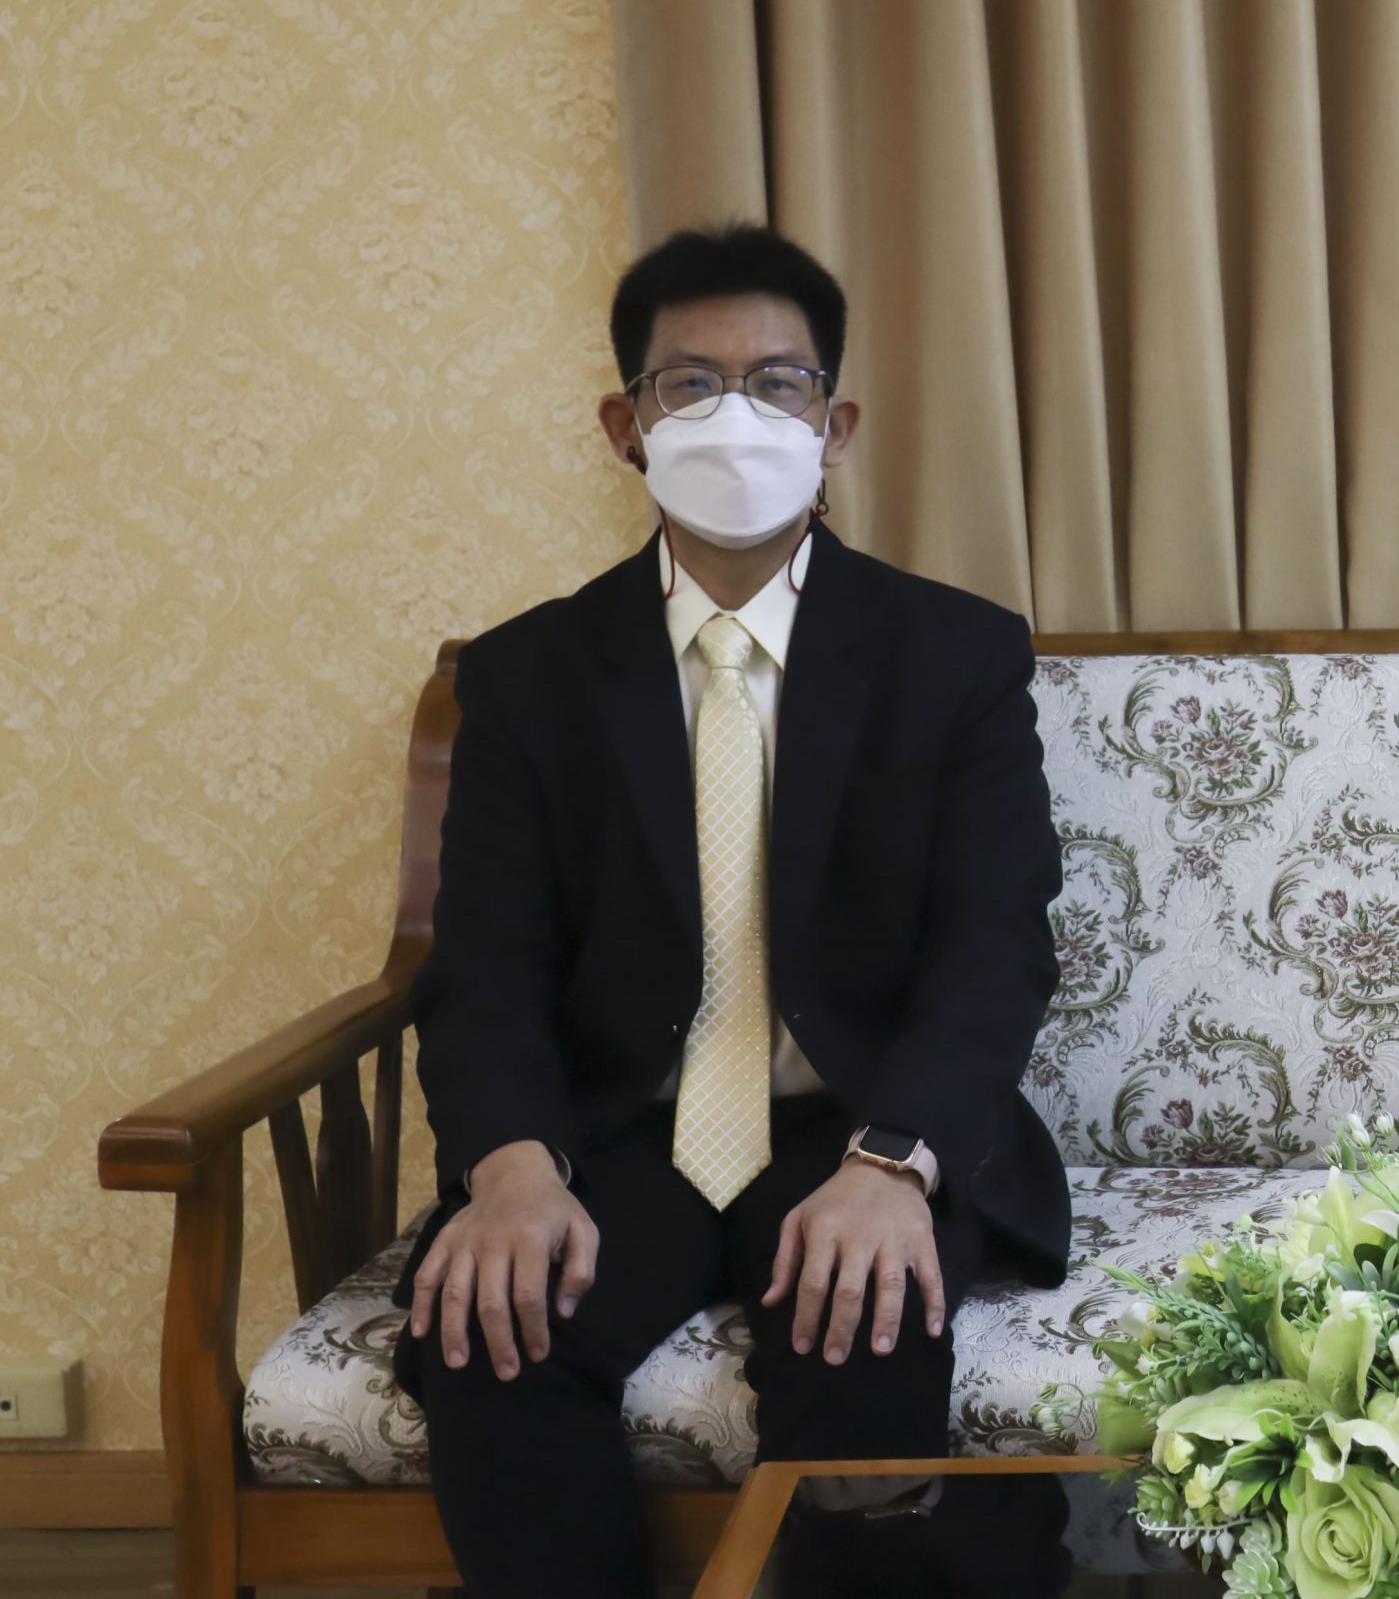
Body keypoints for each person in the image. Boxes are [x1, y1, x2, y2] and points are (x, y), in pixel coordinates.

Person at [390, 224, 1069, 1595]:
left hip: (852, 1120)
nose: (735, 415)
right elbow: (486, 963)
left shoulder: (954, 653)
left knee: (866, 1325)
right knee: (486, 1336)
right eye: (689, 384)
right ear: (625, 426)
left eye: (776, 382)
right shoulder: (529, 676)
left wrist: (896, 1164)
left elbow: (994, 942)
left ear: (835, 424)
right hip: (617, 1130)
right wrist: (509, 1167)